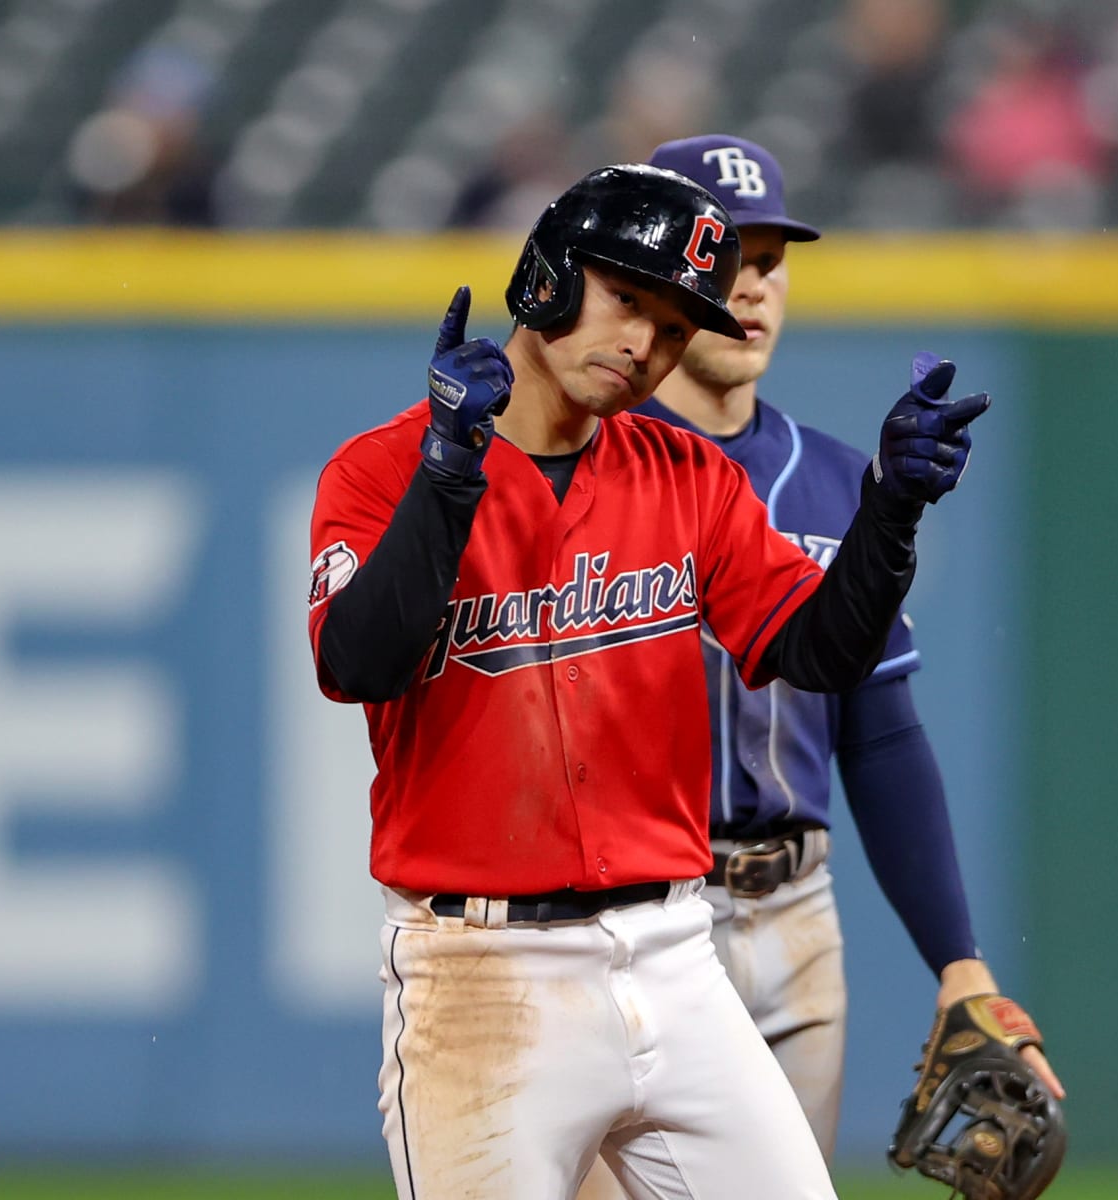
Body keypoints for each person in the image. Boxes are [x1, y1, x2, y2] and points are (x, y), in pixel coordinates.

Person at [307, 162, 989, 1199]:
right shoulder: (379, 471)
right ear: (545, 282)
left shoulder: (687, 480)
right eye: (628, 299)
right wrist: (450, 473)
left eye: (673, 327)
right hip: (483, 977)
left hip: (676, 955)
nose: (645, 345)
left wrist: (889, 513)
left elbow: (815, 653)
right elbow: (358, 663)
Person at [568, 136, 1060, 1200]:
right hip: (631, 913)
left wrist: (957, 959)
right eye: (723, 255)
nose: (751, 284)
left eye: (771, 259)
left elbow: (880, 735)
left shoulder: (844, 484)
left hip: (794, 915)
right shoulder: (584, 469)